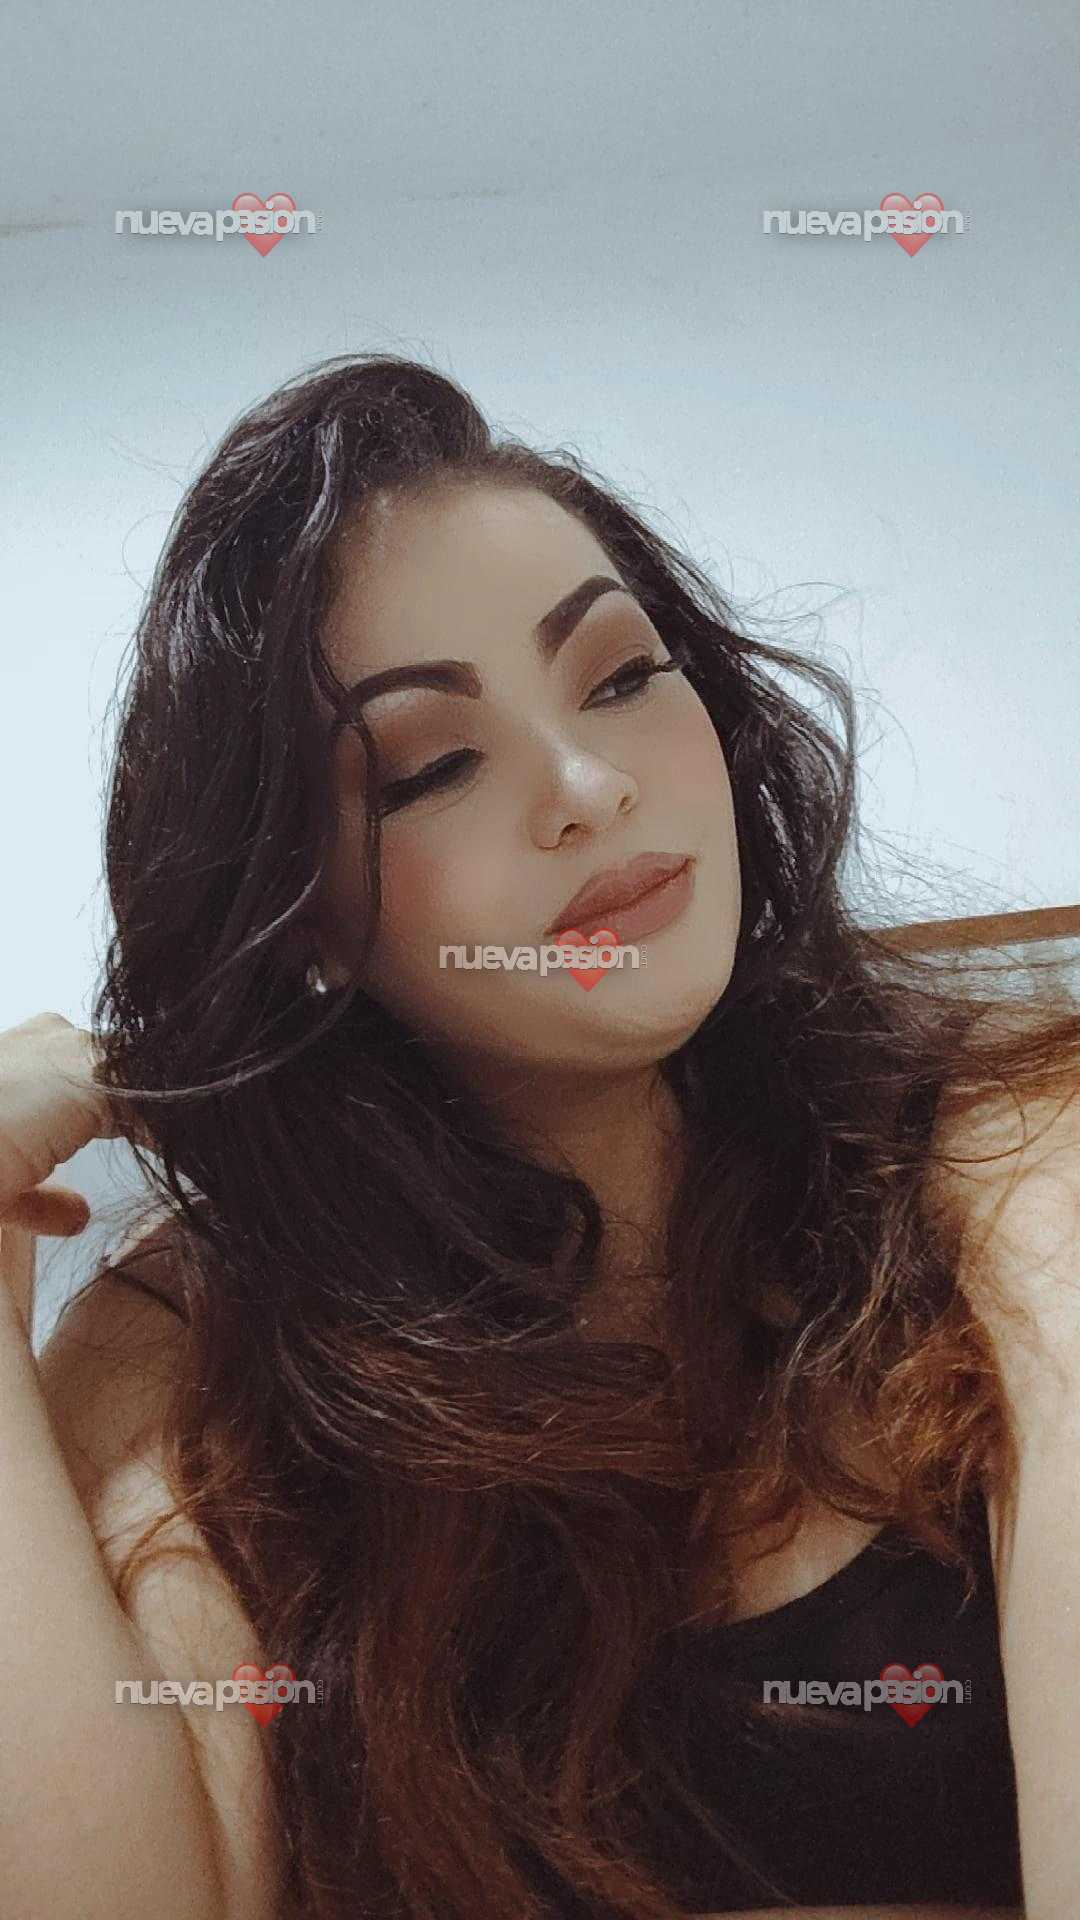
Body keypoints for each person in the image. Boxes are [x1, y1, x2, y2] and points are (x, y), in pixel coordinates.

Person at [1, 351, 1077, 1920]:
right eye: (434, 765)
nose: (587, 787)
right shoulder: (196, 1345)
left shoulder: (1010, 1154)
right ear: (305, 920)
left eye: (623, 677)